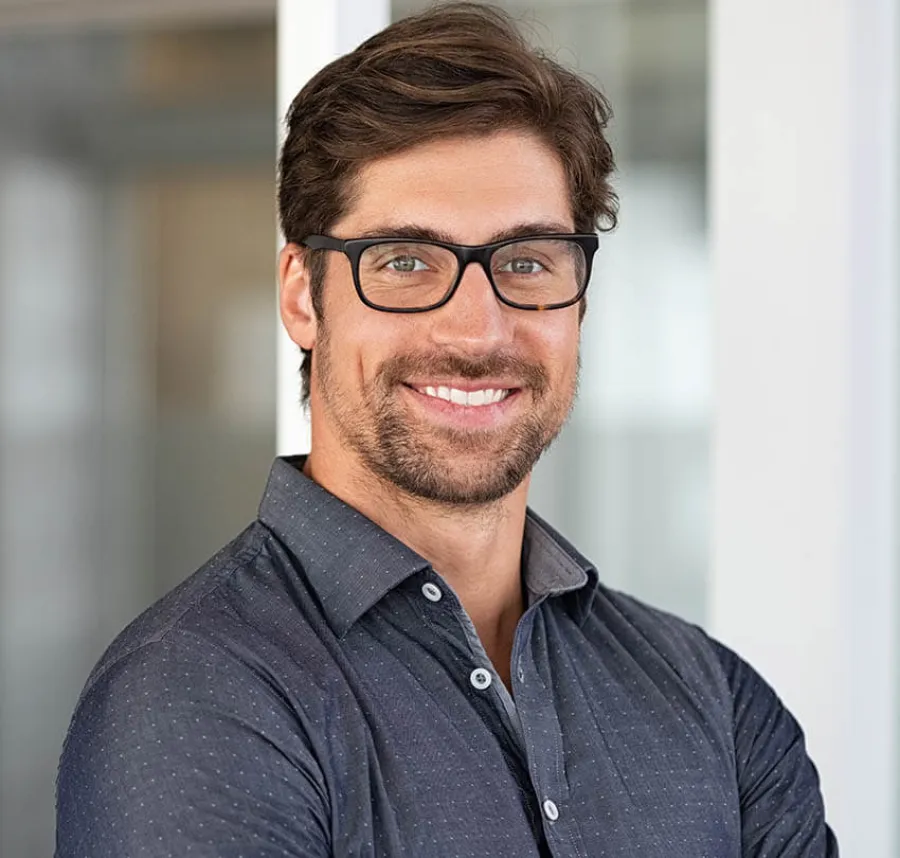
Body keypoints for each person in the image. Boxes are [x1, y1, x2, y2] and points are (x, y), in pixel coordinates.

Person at [56, 3, 838, 856]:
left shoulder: (715, 705)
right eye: (404, 262)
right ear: (301, 295)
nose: (476, 331)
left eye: (527, 261)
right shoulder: (195, 701)